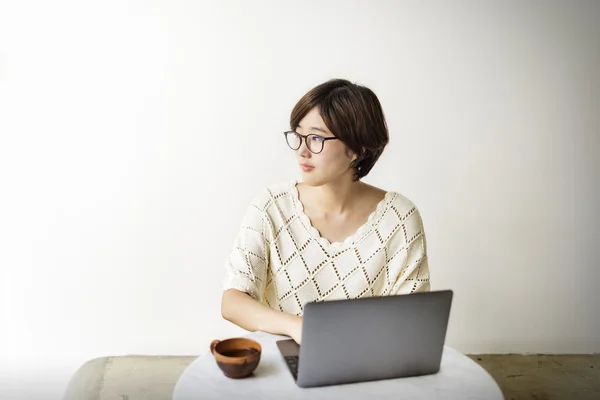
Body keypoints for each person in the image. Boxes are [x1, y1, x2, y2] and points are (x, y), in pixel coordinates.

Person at [220, 78, 430, 345]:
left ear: (357, 149)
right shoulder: (271, 206)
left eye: (316, 138)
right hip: (284, 362)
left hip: (365, 363)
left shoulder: (399, 218)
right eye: (298, 136)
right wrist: (299, 327)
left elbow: (412, 319)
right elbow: (233, 301)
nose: (302, 151)